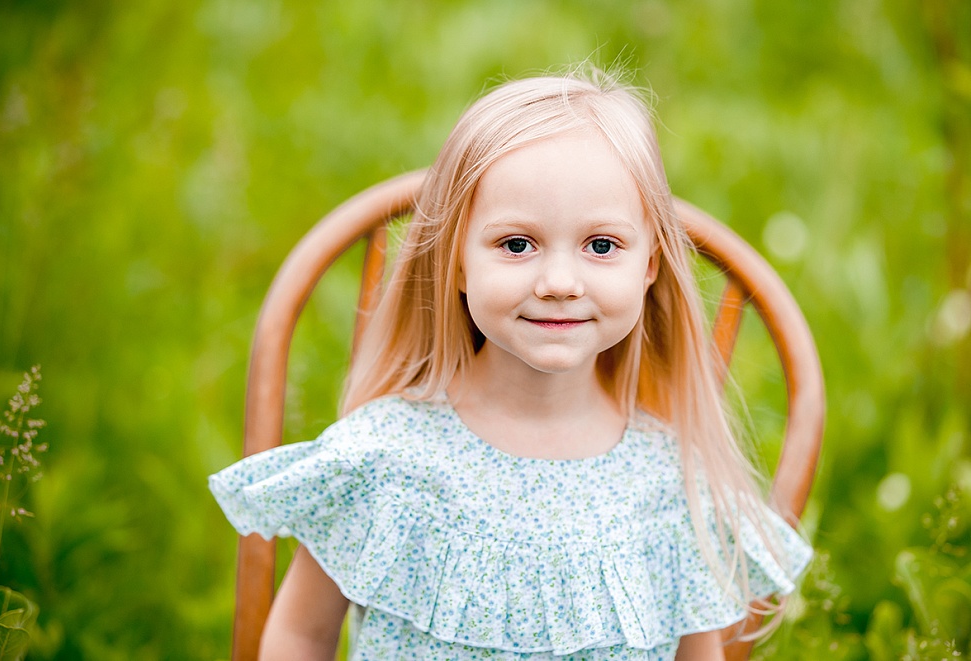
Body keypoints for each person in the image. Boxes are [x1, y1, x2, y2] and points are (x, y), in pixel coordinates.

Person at [210, 65, 812, 660]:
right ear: (458, 263)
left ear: (649, 264)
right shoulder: (386, 459)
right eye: (516, 244)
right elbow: (300, 637)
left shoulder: (669, 485)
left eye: (601, 246)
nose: (558, 281)